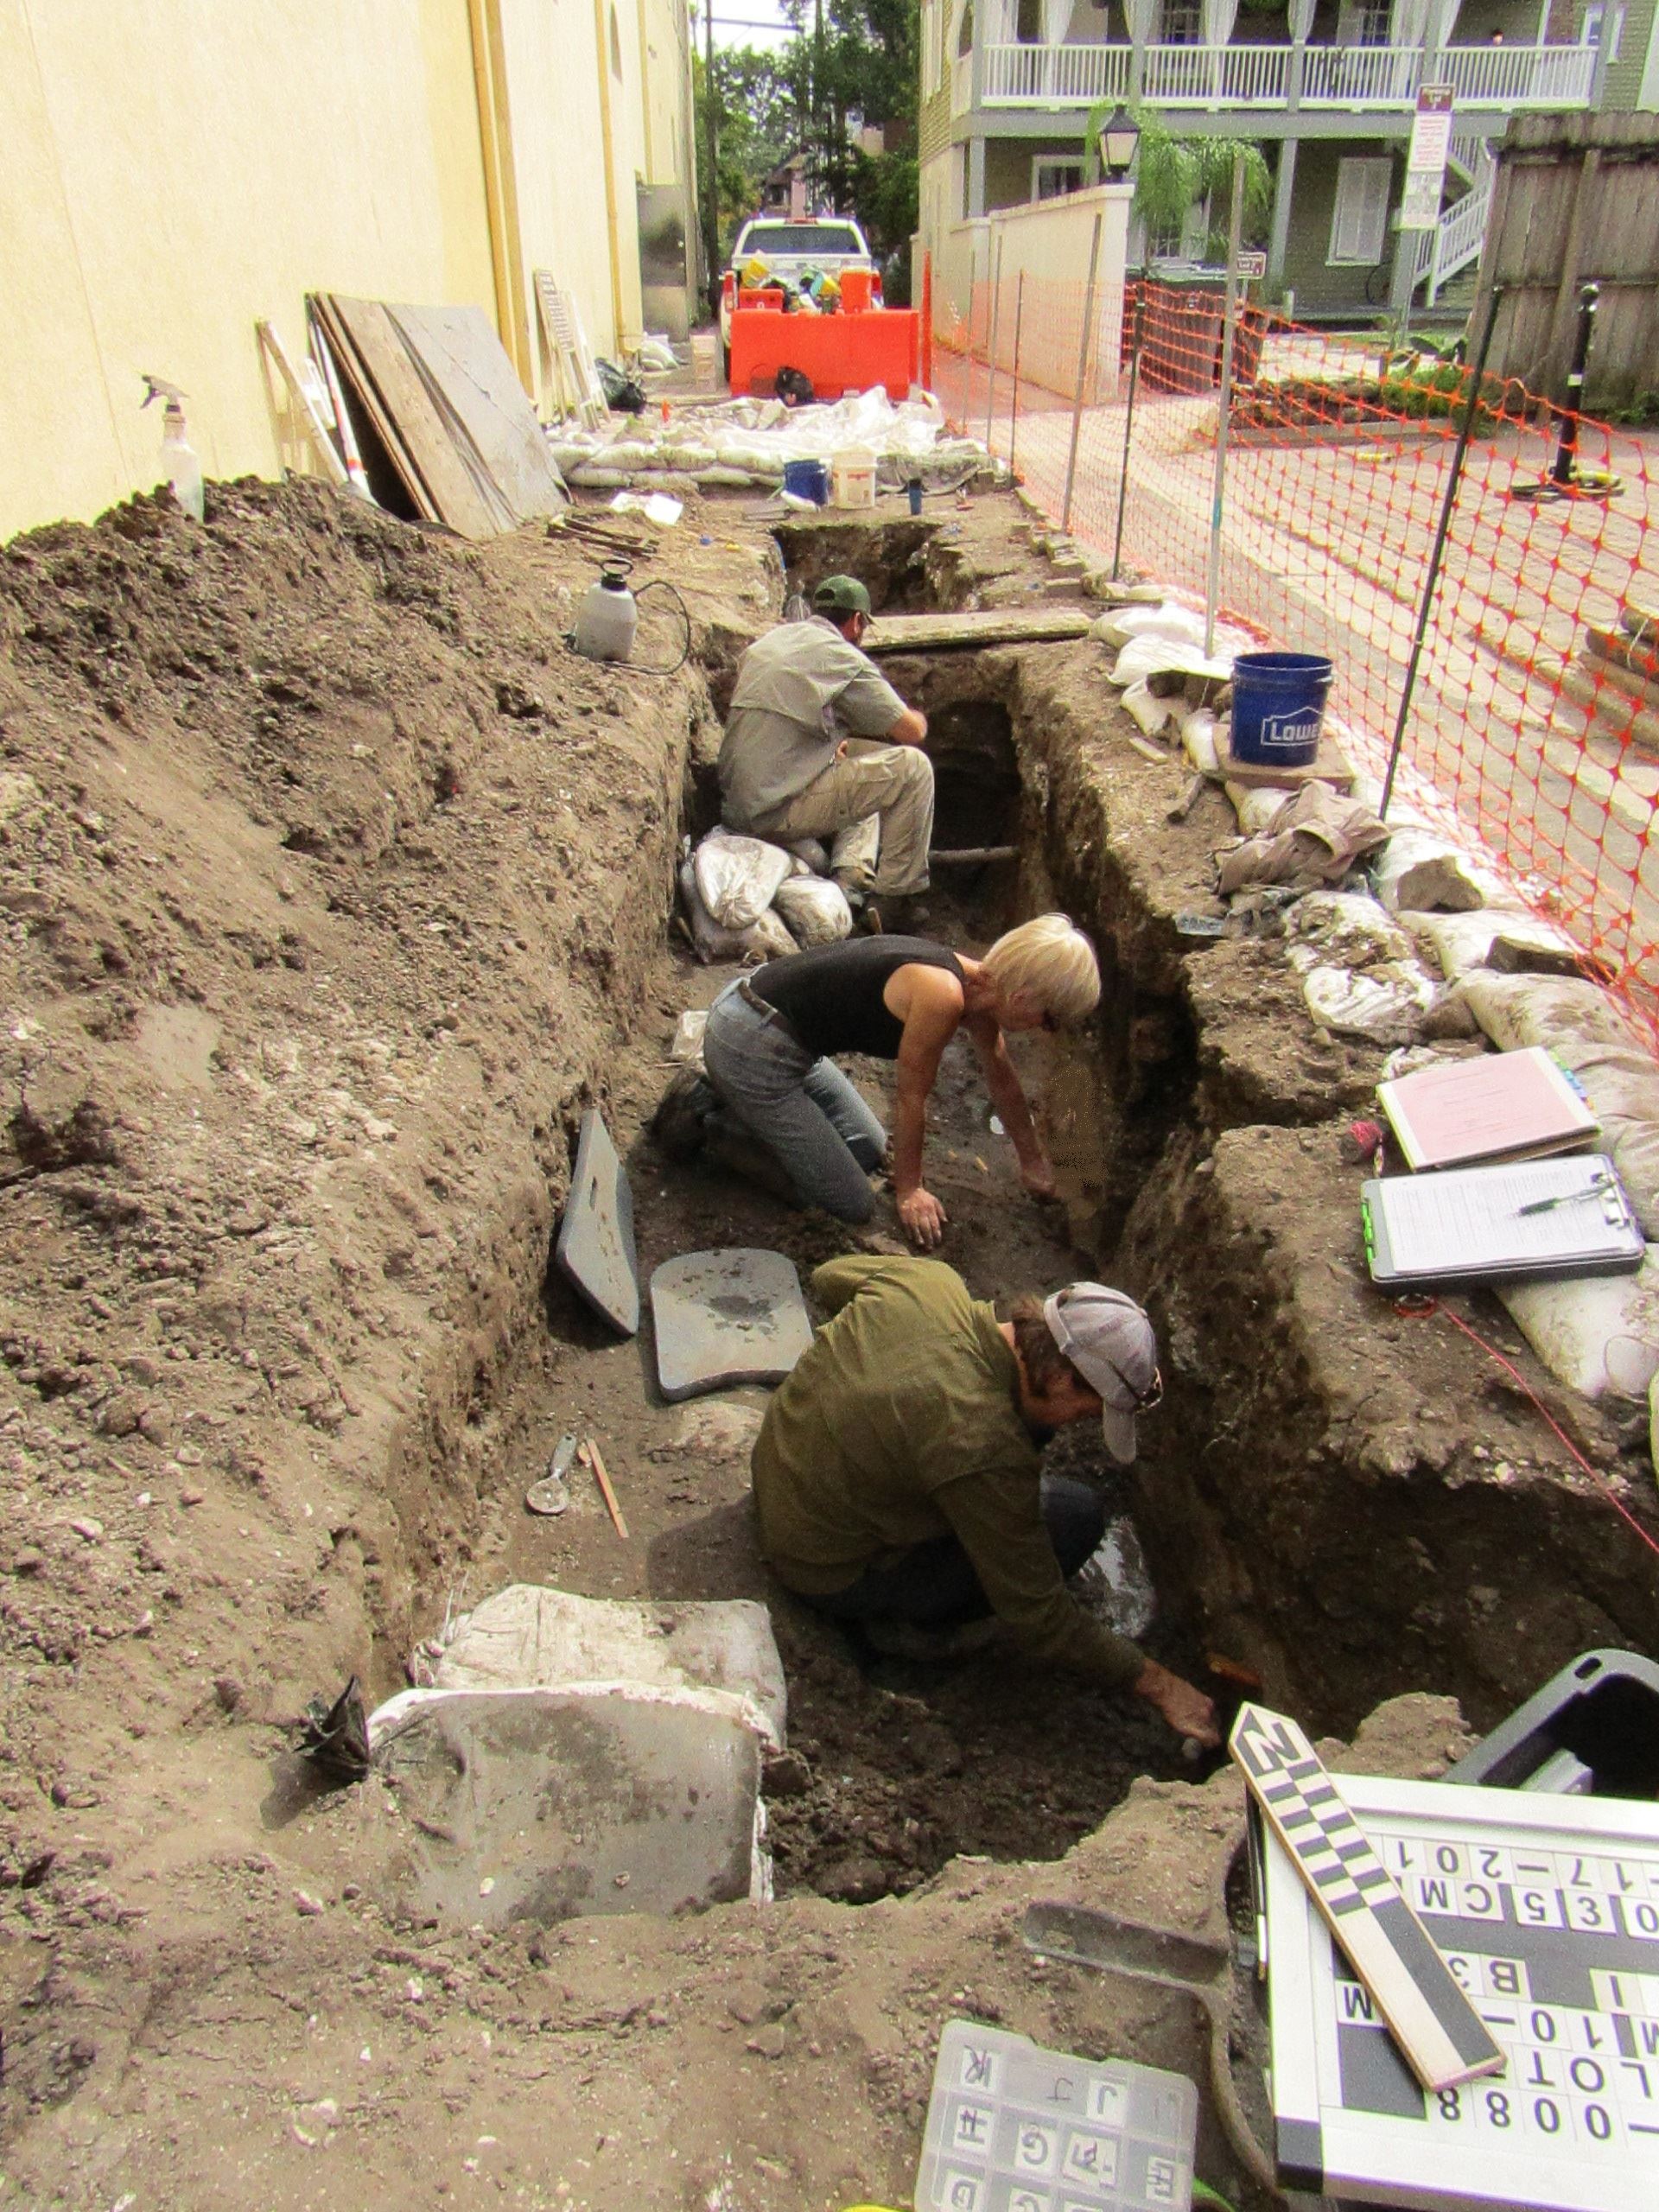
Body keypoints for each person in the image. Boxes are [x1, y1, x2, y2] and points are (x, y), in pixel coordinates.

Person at [750, 1253, 1220, 1745]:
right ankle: (902, 1634)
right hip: (819, 1566)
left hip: (779, 1467)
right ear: (1061, 1379)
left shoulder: (930, 1282)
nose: (1083, 1424)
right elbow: (1039, 1619)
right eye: (1088, 1411)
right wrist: (1160, 1684)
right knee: (1075, 1517)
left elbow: (827, 1277)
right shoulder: (983, 1445)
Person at [665, 913, 1098, 1247]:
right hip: (752, 1044)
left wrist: (1032, 1162)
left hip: (786, 1039)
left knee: (869, 1150)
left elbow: (1003, 1080)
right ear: (1023, 999)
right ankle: (709, 1120)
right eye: (1050, 1020)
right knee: (851, 1203)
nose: (1046, 1031)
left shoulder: (979, 989)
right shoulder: (942, 996)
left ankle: (749, 1109)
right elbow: (911, 1099)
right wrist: (911, 1190)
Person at [718, 574, 932, 927]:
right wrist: (921, 717)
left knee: (865, 763)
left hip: (737, 799)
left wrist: (828, 742)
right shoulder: (845, 658)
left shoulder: (769, 643)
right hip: (774, 809)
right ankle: (897, 901)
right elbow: (911, 732)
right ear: (857, 621)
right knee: (912, 770)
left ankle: (851, 879)